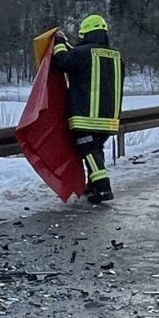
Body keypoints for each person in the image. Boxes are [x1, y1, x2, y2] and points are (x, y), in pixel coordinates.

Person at [51, 14, 125, 205]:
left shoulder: (82, 53)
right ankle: (93, 186)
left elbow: (62, 62)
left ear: (86, 34)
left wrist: (58, 43)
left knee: (89, 150)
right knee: (96, 150)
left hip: (86, 117)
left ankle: (103, 187)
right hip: (109, 118)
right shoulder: (117, 56)